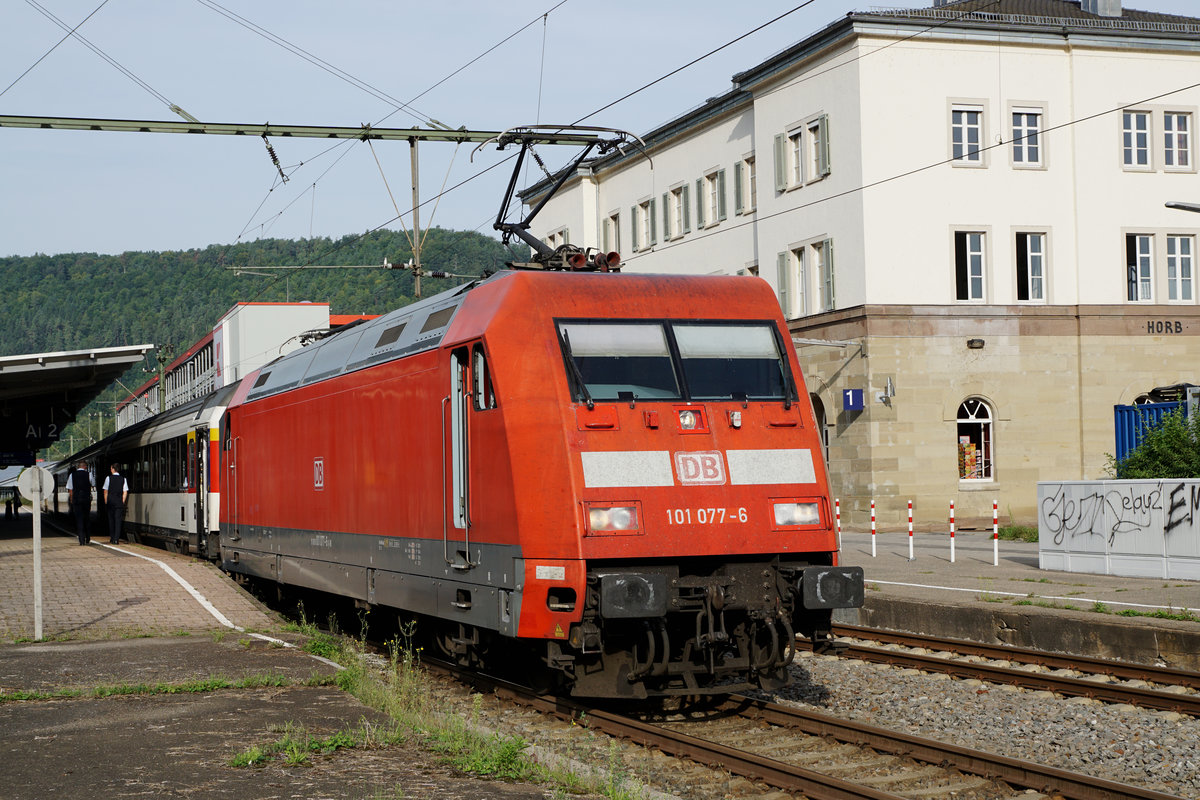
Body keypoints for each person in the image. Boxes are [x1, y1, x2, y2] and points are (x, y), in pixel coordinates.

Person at [66, 461, 93, 545]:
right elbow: (92, 484)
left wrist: (71, 500)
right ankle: (88, 537)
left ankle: (81, 540)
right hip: (86, 499)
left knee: (79, 519)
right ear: (85, 467)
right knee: (87, 518)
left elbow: (70, 489)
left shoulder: (72, 475)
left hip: (77, 500)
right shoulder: (89, 474)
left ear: (78, 467)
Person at [102, 464, 128, 545]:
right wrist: (122, 501)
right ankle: (116, 539)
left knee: (111, 520)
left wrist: (106, 501)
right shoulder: (123, 479)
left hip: (110, 501)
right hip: (119, 502)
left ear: (113, 469)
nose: (110, 470)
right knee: (118, 520)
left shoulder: (108, 478)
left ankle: (112, 537)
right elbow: (125, 492)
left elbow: (105, 491)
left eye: (111, 468)